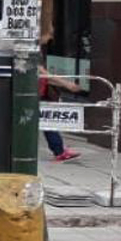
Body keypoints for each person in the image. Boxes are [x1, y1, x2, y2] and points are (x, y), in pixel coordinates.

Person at [40, 24, 81, 162]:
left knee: (48, 121)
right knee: (46, 121)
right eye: (49, 34)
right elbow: (43, 73)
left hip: (39, 91)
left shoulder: (38, 50)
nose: (51, 38)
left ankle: (59, 150)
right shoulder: (31, 50)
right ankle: (59, 151)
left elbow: (45, 76)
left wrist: (64, 84)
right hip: (33, 92)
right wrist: (67, 84)